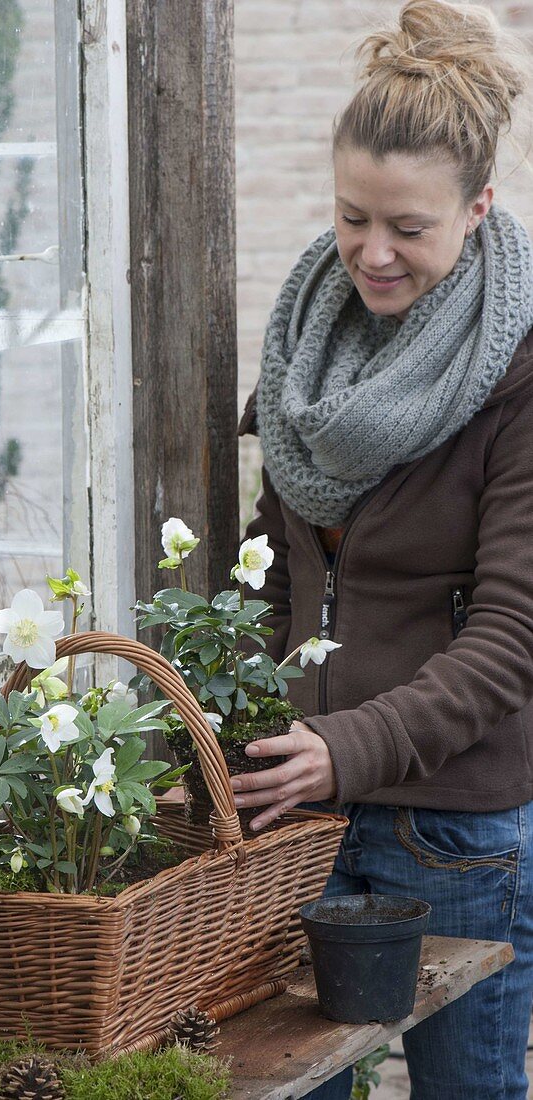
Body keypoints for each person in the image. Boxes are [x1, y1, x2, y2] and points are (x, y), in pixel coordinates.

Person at [233, 2, 533, 1097]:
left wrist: (345, 746)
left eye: (409, 226)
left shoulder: (520, 377)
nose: (373, 251)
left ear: (479, 208)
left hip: (454, 829)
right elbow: (269, 570)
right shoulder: (308, 348)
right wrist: (253, 728)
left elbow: (513, 639)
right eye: (353, 215)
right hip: (296, 812)